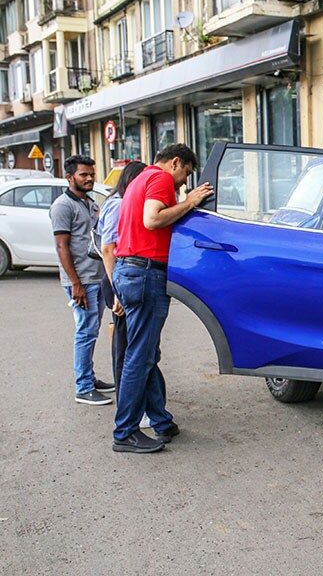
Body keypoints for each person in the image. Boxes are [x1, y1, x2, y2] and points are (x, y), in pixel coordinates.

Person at [111, 144, 213, 453]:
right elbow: (152, 220)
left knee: (145, 352)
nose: (184, 183)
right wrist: (191, 202)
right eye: (185, 174)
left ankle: (161, 420)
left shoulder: (139, 179)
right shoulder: (161, 179)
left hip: (129, 270)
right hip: (144, 274)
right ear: (175, 163)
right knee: (140, 356)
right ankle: (125, 432)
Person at [50, 155, 116, 405]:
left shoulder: (88, 202)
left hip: (96, 276)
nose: (90, 178)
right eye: (83, 175)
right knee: (85, 332)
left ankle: (89, 377)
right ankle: (83, 387)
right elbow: (62, 246)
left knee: (91, 330)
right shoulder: (62, 206)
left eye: (91, 174)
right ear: (70, 177)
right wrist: (75, 283)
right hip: (81, 281)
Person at [97, 161, 147, 393]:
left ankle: (128, 398)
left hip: (120, 278)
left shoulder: (119, 202)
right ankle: (126, 400)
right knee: (124, 346)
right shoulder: (118, 205)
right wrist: (118, 291)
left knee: (126, 342)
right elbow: (108, 250)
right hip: (118, 279)